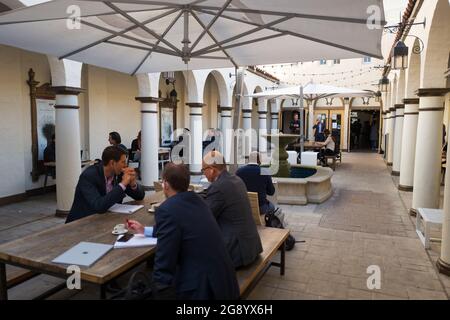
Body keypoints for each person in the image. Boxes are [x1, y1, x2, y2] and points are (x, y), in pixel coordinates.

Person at [127, 163, 239, 300]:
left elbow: (164, 260)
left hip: (203, 288)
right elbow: (181, 227)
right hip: (225, 281)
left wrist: (160, 289)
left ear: (166, 185)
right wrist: (144, 230)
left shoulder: (167, 209)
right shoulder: (198, 200)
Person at [201, 151, 263, 268]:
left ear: (212, 169)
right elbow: (210, 194)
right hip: (251, 246)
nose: (203, 173)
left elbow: (205, 218)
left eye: (203, 169)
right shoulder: (235, 180)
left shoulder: (218, 187)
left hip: (238, 253)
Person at [66, 146, 145, 223]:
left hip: (106, 219)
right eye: (123, 162)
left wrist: (133, 184)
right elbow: (99, 206)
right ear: (112, 163)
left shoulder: (119, 174)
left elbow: (140, 196)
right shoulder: (89, 176)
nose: (125, 166)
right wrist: (123, 184)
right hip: (82, 222)